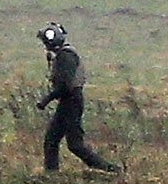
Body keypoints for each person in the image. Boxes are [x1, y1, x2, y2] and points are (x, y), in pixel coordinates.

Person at [35, 22, 120, 172]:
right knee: (52, 140)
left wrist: (46, 100)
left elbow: (65, 86)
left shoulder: (65, 56)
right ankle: (51, 173)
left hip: (71, 102)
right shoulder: (65, 54)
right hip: (69, 101)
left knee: (74, 144)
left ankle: (109, 169)